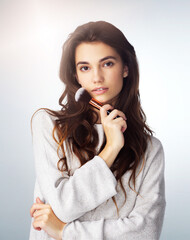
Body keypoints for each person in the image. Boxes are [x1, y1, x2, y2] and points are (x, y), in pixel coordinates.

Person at [29, 21, 166, 240]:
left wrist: (65, 231)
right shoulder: (49, 125)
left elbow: (145, 232)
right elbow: (63, 206)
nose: (96, 78)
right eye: (85, 67)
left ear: (125, 68)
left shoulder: (150, 149)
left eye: (107, 63)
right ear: (75, 75)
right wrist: (111, 148)